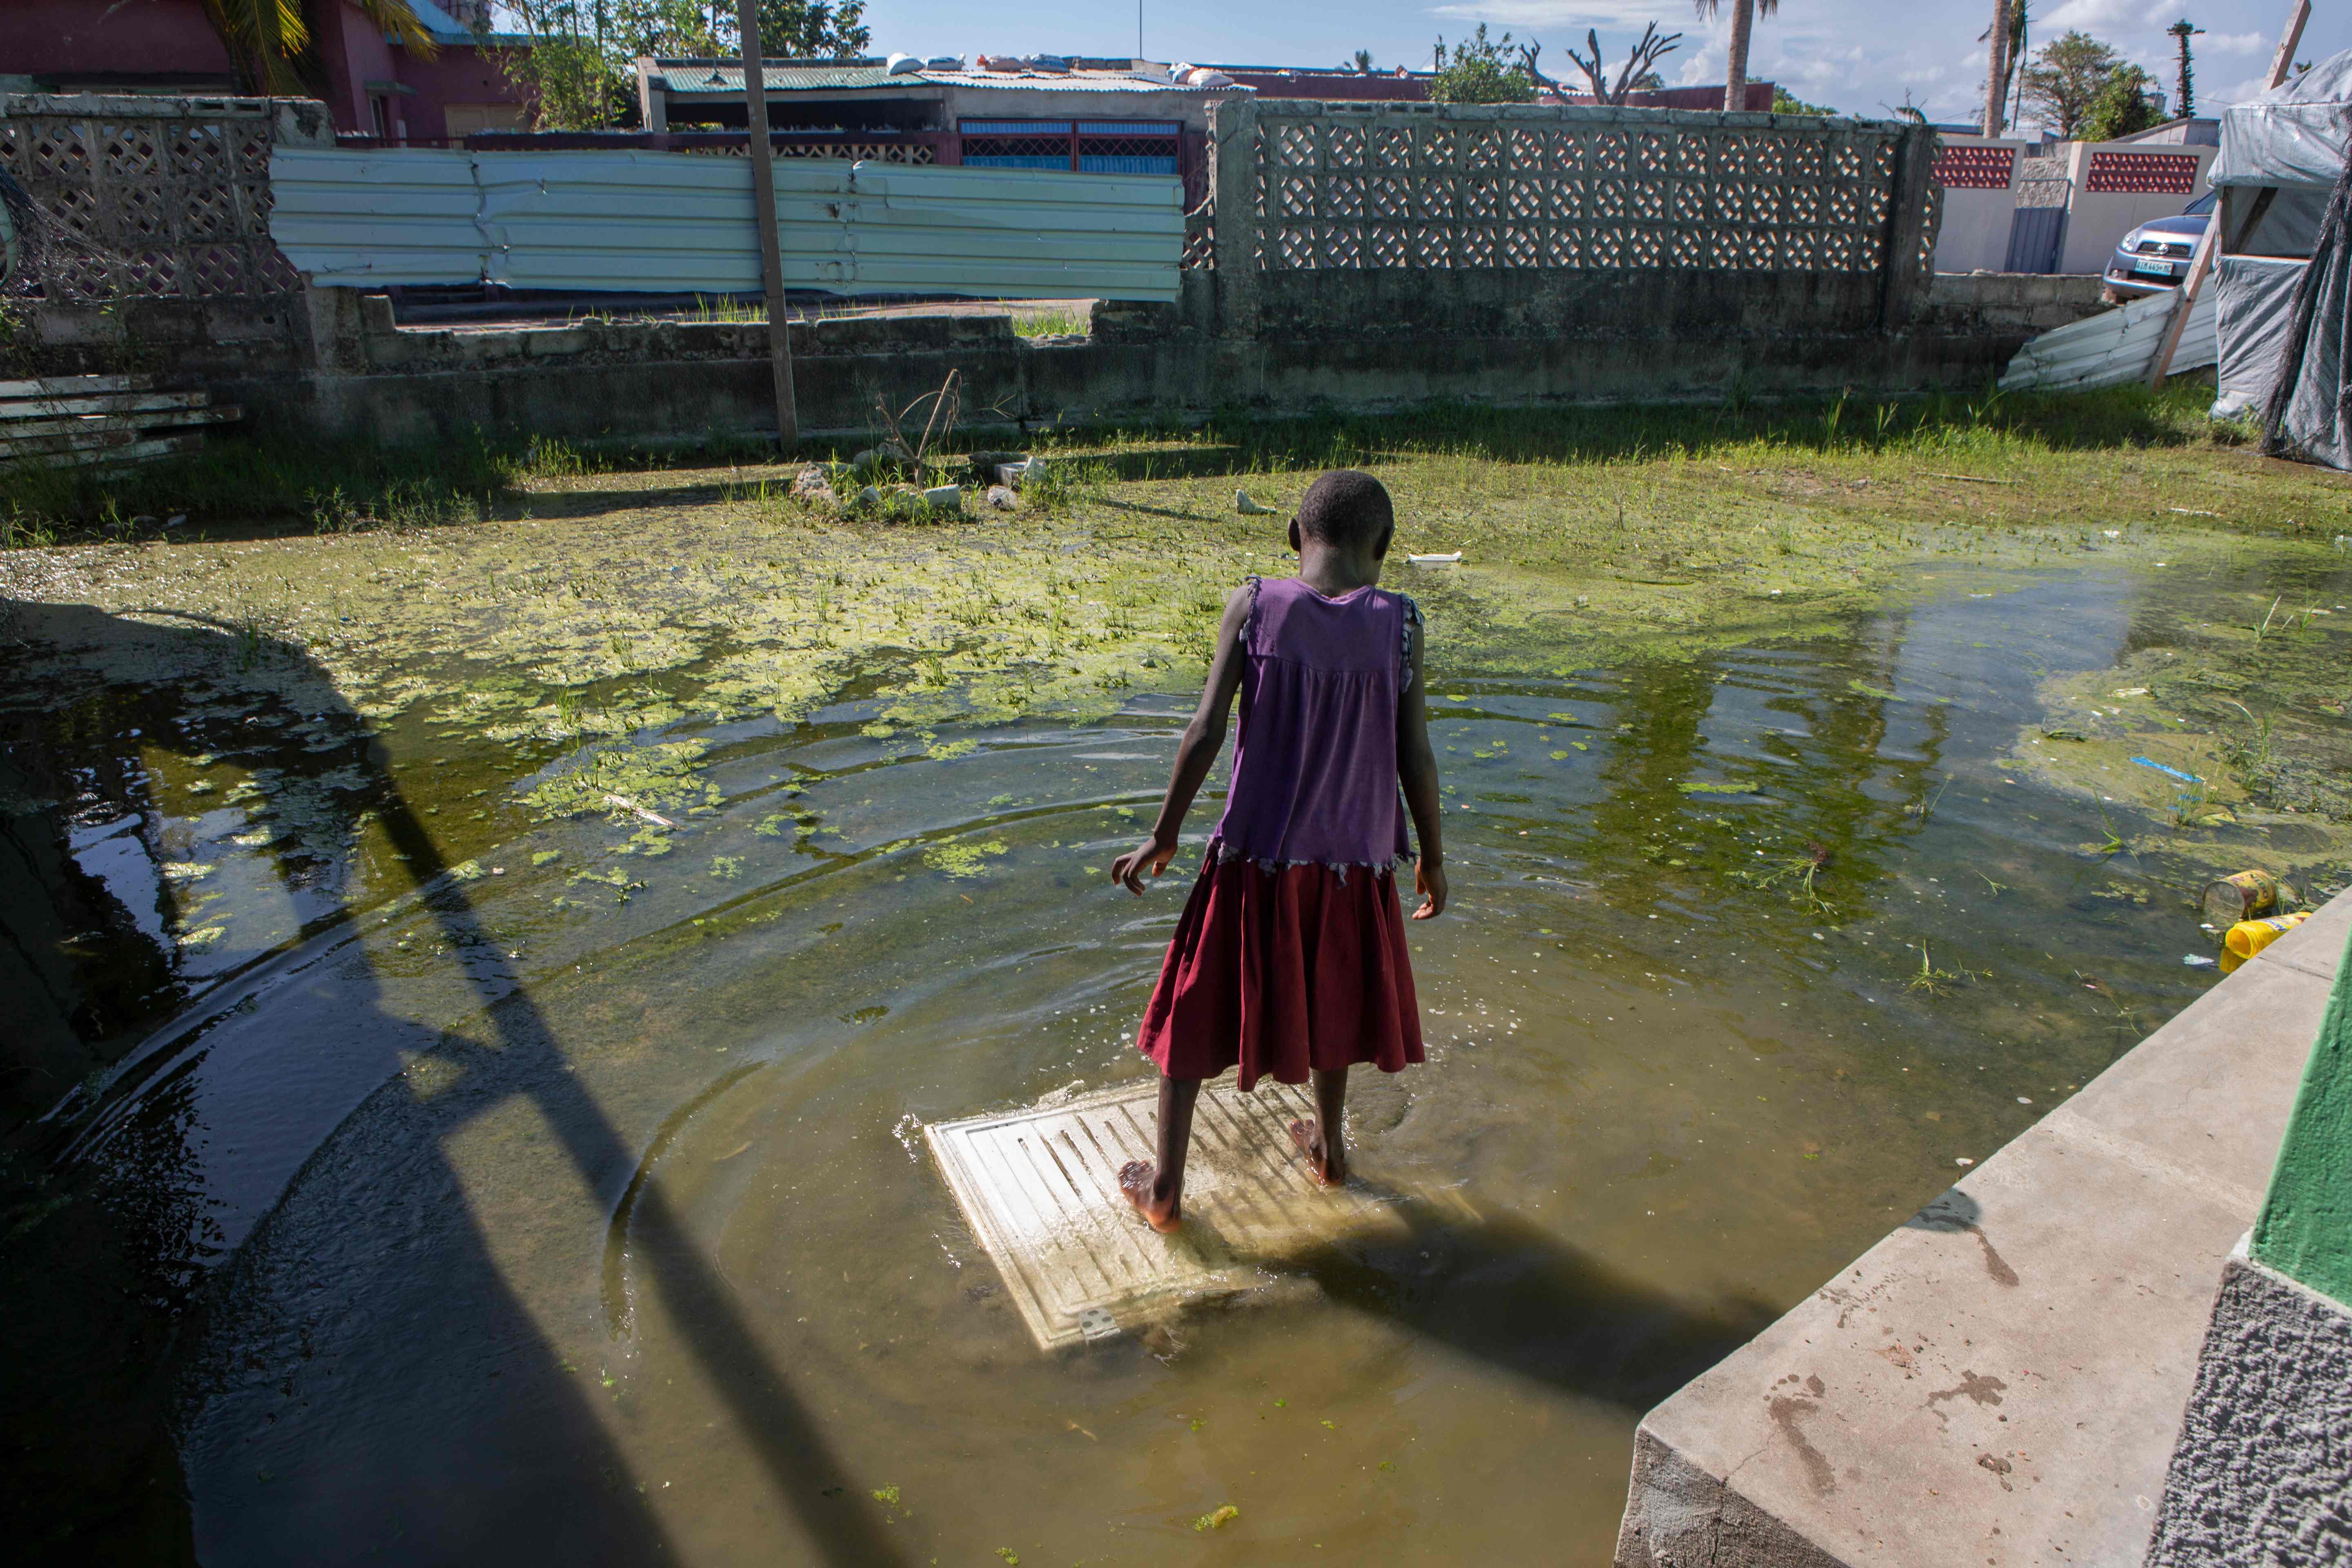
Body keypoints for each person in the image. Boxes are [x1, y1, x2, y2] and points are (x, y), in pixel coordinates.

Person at [1109, 469, 1447, 1233]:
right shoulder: (1400, 624)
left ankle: (1164, 1188)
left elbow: (1204, 730)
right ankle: (1328, 1151)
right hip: (1354, 868)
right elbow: (1415, 754)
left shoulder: (1258, 604)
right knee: (1334, 1004)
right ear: (1383, 549)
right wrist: (1433, 853)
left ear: (1295, 537)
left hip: (1253, 862)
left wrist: (1165, 834)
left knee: (1191, 1015)